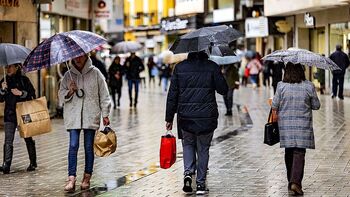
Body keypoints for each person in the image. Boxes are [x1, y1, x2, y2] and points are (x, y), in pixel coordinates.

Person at [165, 51, 228, 195]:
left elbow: (172, 94)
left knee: (188, 145)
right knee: (203, 149)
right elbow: (223, 90)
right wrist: (219, 74)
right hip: (207, 117)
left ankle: (188, 174)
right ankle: (200, 184)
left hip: (185, 117)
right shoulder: (212, 66)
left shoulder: (179, 68)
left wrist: (169, 118)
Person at [59, 54, 111, 192]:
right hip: (73, 115)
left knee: (88, 147)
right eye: (75, 57)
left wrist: (105, 113)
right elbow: (60, 96)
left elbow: (104, 95)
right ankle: (71, 178)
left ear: (86, 56)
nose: (77, 59)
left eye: (80, 56)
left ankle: (87, 177)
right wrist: (69, 92)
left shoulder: (96, 73)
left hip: (90, 114)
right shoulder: (68, 76)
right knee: (73, 145)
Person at [271, 63, 320, 195]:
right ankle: (295, 183)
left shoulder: (281, 86)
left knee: (289, 152)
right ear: (301, 71)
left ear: (286, 72)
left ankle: (291, 183)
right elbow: (316, 105)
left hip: (286, 126)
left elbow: (274, 104)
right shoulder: (309, 86)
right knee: (299, 153)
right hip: (303, 126)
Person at [0, 64, 37, 174]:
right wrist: (2, 90)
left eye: (10, 67)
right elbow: (0, 99)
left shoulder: (24, 80)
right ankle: (6, 164)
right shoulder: (4, 81)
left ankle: (33, 162)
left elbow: (32, 94)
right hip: (10, 114)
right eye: (7, 67)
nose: (8, 69)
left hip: (24, 113)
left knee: (28, 137)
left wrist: (21, 93)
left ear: (16, 67)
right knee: (8, 139)